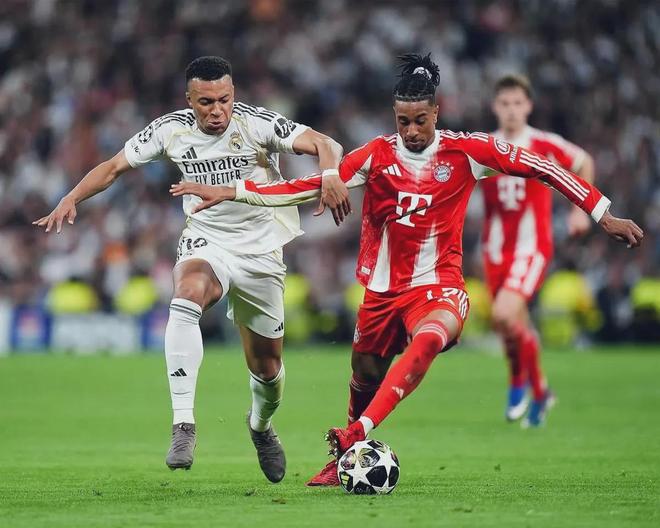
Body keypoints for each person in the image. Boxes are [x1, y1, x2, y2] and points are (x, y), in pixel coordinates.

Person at [169, 53, 643, 486]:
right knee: (364, 372)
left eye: (420, 120)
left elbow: (543, 167)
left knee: (429, 338)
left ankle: (355, 434)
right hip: (381, 294)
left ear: (436, 112)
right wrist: (232, 191)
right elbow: (303, 186)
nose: (411, 131)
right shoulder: (376, 155)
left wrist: (602, 213)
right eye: (403, 121)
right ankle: (345, 458)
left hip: (439, 287)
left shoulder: (467, 151)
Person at [33, 56, 350, 483]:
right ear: (189, 100)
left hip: (261, 250)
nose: (217, 110)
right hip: (207, 240)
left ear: (233, 95)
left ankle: (260, 426)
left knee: (268, 370)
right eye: (206, 102)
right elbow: (113, 167)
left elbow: (327, 143)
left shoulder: (256, 124)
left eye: (224, 100)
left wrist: (329, 174)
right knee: (187, 293)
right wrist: (71, 197)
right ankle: (183, 423)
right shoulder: (170, 130)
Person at [480, 74, 596, 426]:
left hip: (531, 248)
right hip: (494, 250)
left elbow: (583, 162)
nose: (511, 110)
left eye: (518, 103)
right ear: (495, 106)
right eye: (505, 103)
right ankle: (542, 391)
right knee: (512, 327)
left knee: (504, 314)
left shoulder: (543, 143)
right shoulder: (483, 145)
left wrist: (580, 210)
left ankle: (518, 381)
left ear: (528, 106)